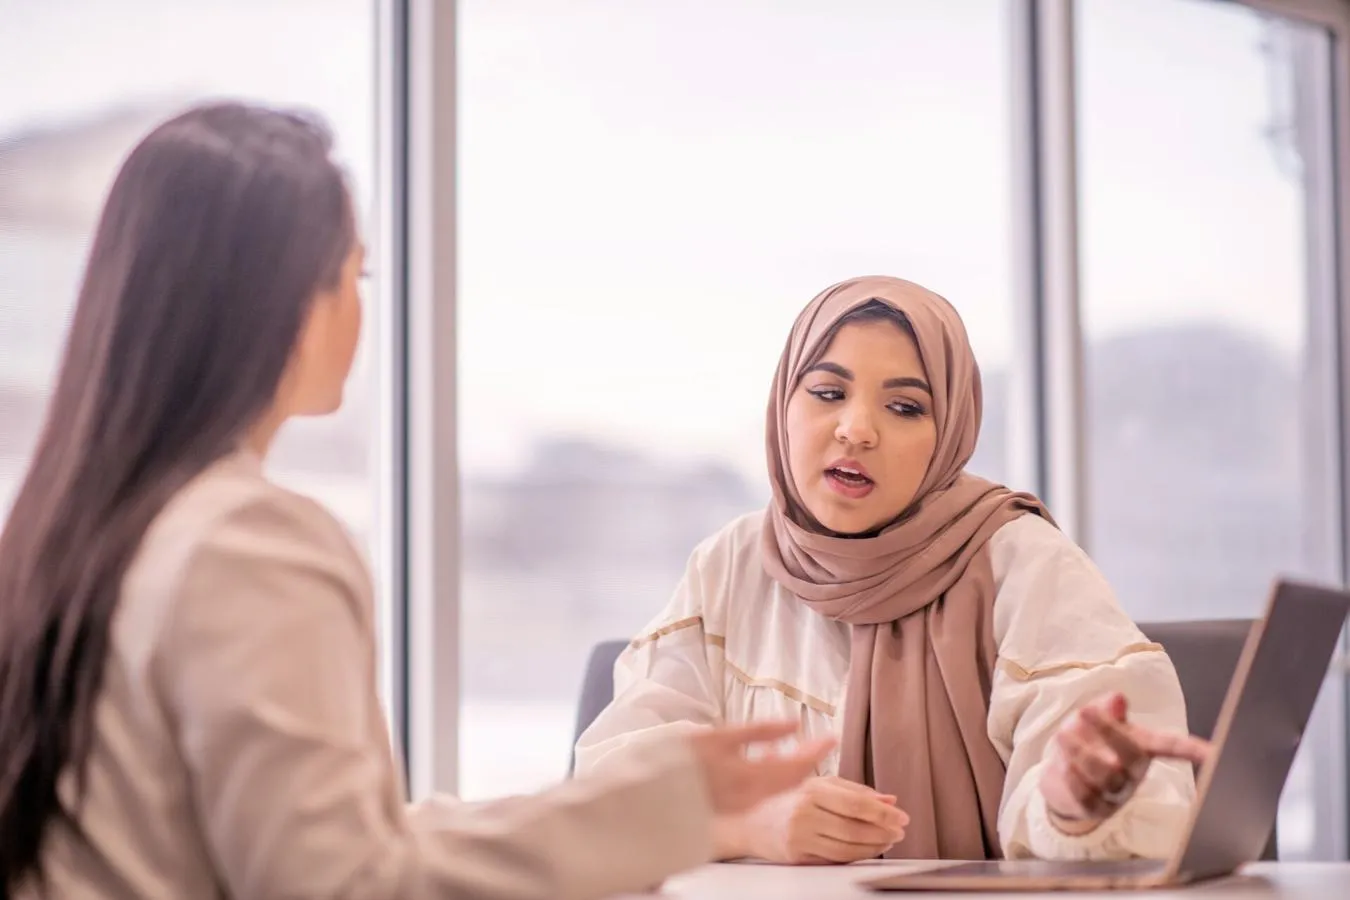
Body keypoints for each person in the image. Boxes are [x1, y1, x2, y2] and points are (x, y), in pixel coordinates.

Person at [0, 102, 833, 899]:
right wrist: (657, 812)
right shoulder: (247, 541)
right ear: (284, 300)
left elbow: (348, 842)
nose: (360, 306)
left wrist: (649, 813)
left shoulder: (72, 534)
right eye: (351, 272)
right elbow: (342, 882)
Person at [575, 277, 1213, 865]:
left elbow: (1129, 786)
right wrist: (747, 826)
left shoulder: (1018, 559)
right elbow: (612, 791)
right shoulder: (730, 565)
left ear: (951, 433)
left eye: (905, 408)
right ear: (782, 406)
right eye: (827, 393)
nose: (856, 431)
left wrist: (1075, 808)